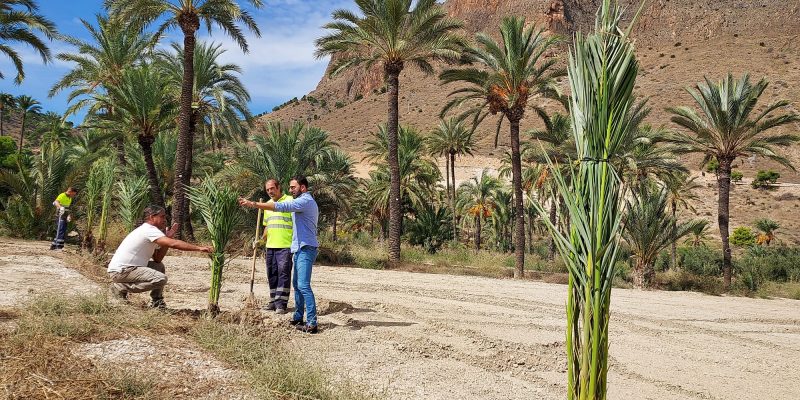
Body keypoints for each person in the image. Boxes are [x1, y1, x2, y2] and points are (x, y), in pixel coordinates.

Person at [240, 175, 320, 333]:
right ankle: (298, 317)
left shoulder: (305, 201)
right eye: (290, 187)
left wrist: (253, 204)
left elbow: (281, 207)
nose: (290, 190)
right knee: (297, 285)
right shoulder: (301, 201)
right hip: (298, 248)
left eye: (293, 187)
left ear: (303, 188)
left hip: (305, 248)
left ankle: (312, 322)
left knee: (303, 285)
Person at [107, 205, 213, 308]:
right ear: (152, 217)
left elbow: (157, 259)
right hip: (122, 271)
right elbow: (174, 243)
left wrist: (167, 239)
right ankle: (120, 287)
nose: (165, 219)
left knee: (159, 266)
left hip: (126, 270)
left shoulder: (147, 230)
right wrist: (199, 248)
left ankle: (157, 301)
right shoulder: (149, 230)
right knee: (160, 279)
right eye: (162, 216)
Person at [259, 179, 293, 314]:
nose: (270, 192)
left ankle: (281, 304)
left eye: (272, 188)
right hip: (270, 246)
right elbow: (267, 225)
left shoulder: (290, 201)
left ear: (279, 188)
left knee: (283, 274)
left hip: (285, 245)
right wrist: (261, 240)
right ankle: (273, 301)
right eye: (267, 190)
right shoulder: (267, 205)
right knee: (272, 274)